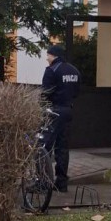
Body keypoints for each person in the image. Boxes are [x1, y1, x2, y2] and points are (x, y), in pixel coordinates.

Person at [41, 44, 81, 193]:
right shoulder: (74, 70)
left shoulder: (52, 70)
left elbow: (45, 93)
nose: (47, 58)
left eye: (48, 55)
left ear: (54, 56)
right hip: (67, 110)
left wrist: (43, 108)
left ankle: (43, 182)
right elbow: (77, 92)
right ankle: (62, 183)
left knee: (43, 147)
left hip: (53, 111)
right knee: (62, 147)